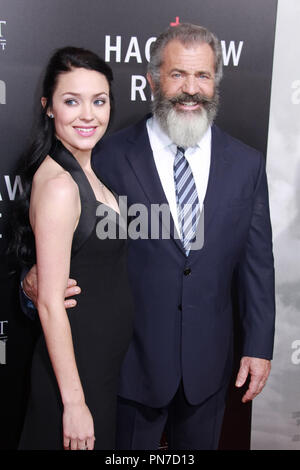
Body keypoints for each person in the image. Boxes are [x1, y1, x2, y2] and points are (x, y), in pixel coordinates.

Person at [23, 24, 275, 450]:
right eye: (177, 75)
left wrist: (259, 345)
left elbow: (257, 263)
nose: (191, 89)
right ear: (153, 80)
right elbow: (74, 241)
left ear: (216, 83)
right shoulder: (105, 155)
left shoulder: (247, 165)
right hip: (127, 369)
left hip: (209, 370)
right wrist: (33, 281)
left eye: (203, 76)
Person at [15, 47, 133, 450]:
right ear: (49, 107)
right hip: (74, 378)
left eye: (99, 101)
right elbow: (49, 303)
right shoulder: (61, 185)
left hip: (97, 367)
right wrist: (75, 402)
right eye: (72, 101)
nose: (88, 115)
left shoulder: (86, 169)